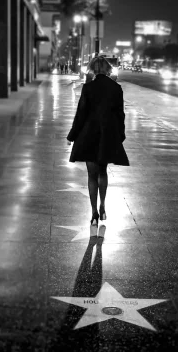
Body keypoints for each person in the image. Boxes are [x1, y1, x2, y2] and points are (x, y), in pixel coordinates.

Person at [67, 56, 129, 226]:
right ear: (108, 70)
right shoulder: (117, 88)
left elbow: (81, 114)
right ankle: (103, 205)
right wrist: (120, 135)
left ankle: (93, 211)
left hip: (89, 135)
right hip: (108, 135)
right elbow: (120, 115)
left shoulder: (88, 88)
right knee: (103, 172)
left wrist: (72, 135)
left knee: (91, 175)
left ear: (93, 69)